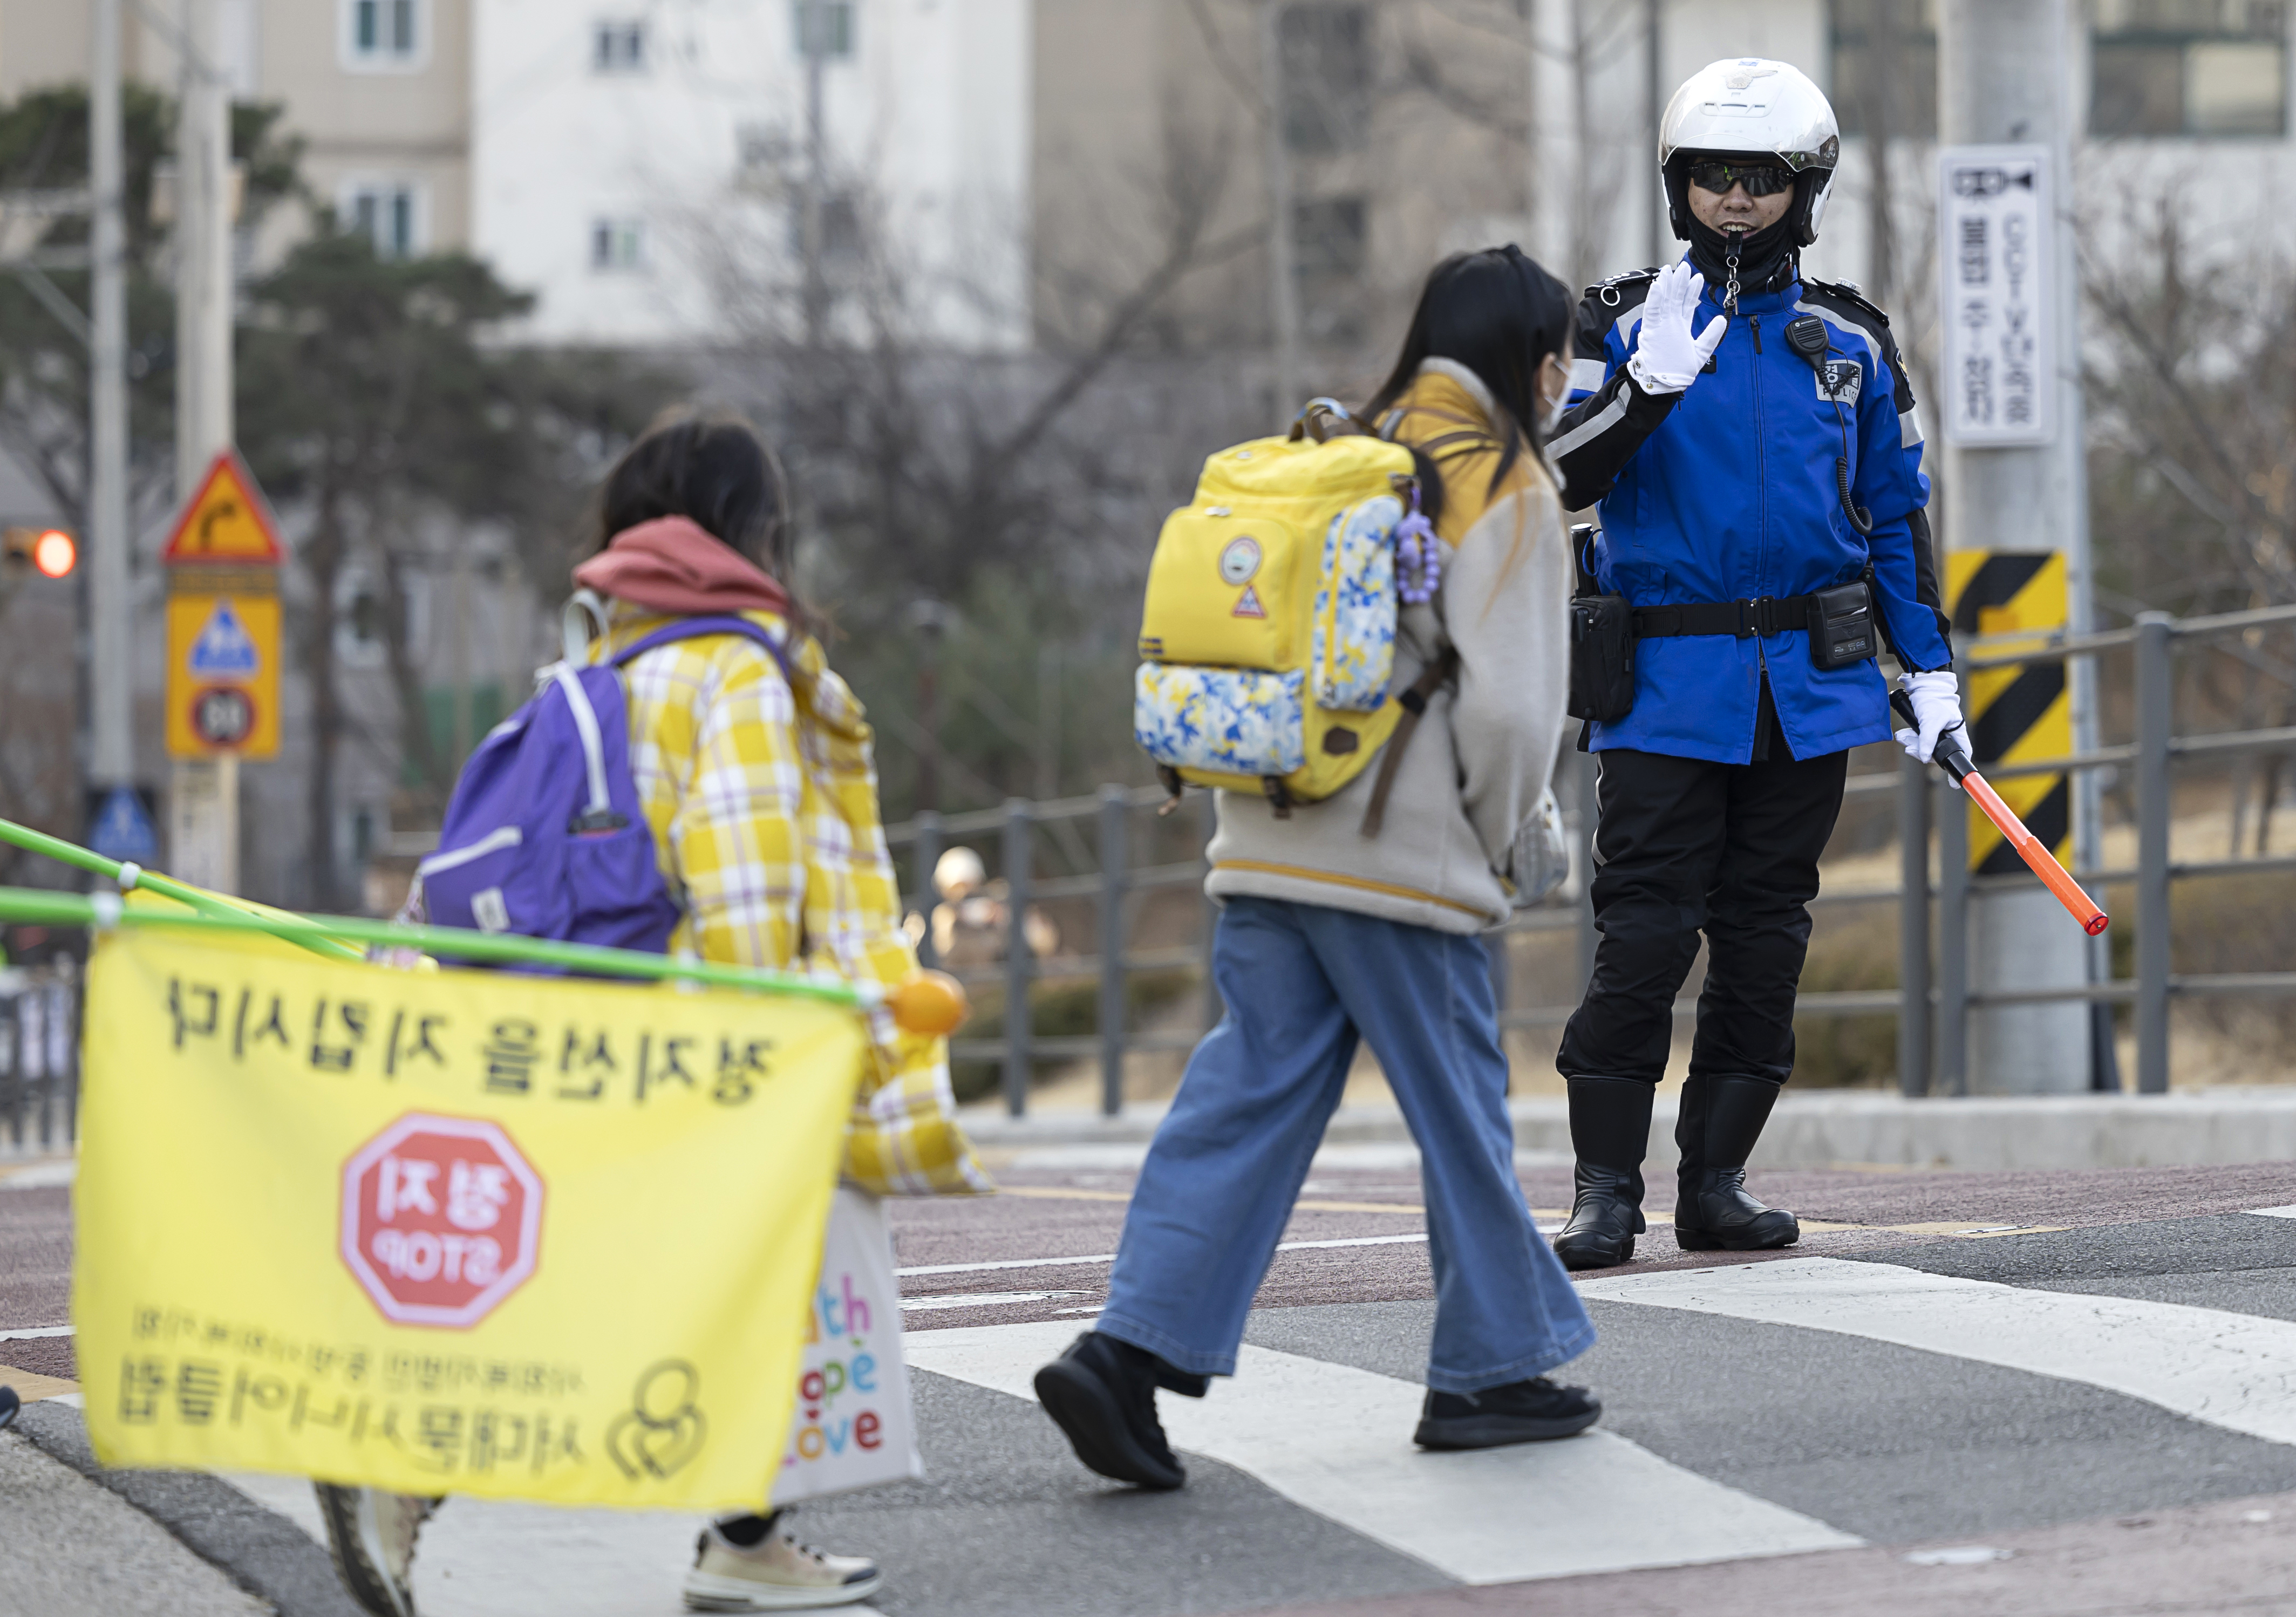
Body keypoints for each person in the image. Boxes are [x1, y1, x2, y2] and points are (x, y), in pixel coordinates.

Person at [316, 411, 987, 1615]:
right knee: (739, 1278)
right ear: (754, 532)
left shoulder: (606, 669)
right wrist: (775, 1045)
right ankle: (428, 1445)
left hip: (595, 1033)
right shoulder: (735, 669)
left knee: (664, 1277)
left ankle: (737, 1529)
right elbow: (745, 884)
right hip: (709, 1040)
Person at [1033, 247, 1600, 1490]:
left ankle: (1123, 1351)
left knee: (1239, 1100)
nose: (1567, 379)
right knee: (1460, 1117)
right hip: (1401, 868)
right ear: (1530, 357)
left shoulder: (1330, 448)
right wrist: (1512, 846)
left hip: (1264, 842)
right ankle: (1490, 1368)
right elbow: (1510, 719)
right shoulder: (1501, 481)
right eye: (1561, 356)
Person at [1544, 58, 1960, 1270]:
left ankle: (1715, 1182)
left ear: (1804, 186)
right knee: (1643, 934)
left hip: (1813, 687)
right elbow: (1555, 480)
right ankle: (1604, 1190)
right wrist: (1642, 391)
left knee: (1768, 933)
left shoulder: (1850, 340)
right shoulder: (1616, 325)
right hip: (1666, 684)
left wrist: (1926, 673)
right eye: (1711, 180)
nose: (1734, 201)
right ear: (1678, 187)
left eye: (1759, 181)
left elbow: (1896, 518)